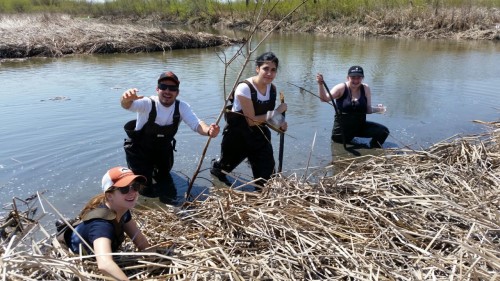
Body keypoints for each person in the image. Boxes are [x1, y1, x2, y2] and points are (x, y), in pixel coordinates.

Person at [120, 71, 220, 199]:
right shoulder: (146, 103)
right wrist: (125, 98)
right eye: (163, 87)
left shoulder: (182, 107)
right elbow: (126, 105)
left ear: (177, 92)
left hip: (163, 150)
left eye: (172, 88)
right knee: (145, 188)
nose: (167, 91)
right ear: (157, 89)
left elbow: (197, 124)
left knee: (165, 179)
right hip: (139, 151)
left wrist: (209, 131)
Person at [211, 52, 287, 187]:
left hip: (260, 136)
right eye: (265, 69)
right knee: (223, 170)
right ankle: (217, 170)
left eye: (273, 70)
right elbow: (251, 120)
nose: (269, 73)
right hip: (237, 137)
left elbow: (267, 117)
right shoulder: (245, 88)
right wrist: (277, 112)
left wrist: (280, 123)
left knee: (266, 180)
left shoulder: (273, 89)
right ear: (257, 68)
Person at [68, 166, 150, 280]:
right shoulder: (101, 224)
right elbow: (105, 265)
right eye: (124, 189)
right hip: (77, 257)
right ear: (109, 195)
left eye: (135, 186)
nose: (132, 192)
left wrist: (155, 257)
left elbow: (139, 240)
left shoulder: (122, 210)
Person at [316, 66, 389, 148]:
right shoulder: (341, 88)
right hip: (342, 133)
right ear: (347, 77)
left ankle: (374, 149)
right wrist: (320, 85)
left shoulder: (366, 88)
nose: (356, 80)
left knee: (384, 131)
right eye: (353, 77)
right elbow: (324, 99)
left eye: (359, 78)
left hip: (359, 127)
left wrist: (378, 109)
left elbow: (368, 110)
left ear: (362, 78)